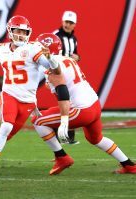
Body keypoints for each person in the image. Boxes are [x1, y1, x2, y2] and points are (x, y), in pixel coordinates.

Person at [0, 15, 71, 181]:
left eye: (24, 31)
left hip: (28, 101)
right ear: (10, 31)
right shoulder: (2, 48)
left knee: (3, 135)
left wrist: (50, 57)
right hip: (9, 94)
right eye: (18, 31)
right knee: (6, 126)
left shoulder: (33, 48)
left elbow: (55, 70)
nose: (21, 34)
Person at [32, 33, 136, 175]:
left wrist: (63, 121)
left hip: (81, 109)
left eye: (38, 48)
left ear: (46, 49)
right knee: (96, 138)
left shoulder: (51, 66)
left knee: (38, 120)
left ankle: (61, 157)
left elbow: (63, 94)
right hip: (94, 104)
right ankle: (129, 165)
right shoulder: (68, 59)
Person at [53, 10, 80, 144]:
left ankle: (68, 135)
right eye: (66, 22)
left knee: (71, 104)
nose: (67, 25)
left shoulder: (74, 39)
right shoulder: (55, 36)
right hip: (58, 74)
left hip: (70, 75)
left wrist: (78, 57)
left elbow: (75, 55)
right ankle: (62, 135)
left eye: (70, 23)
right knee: (63, 103)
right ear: (62, 21)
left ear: (74, 24)